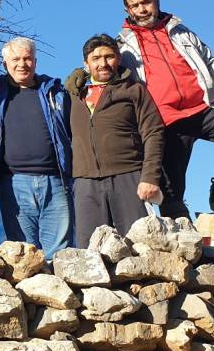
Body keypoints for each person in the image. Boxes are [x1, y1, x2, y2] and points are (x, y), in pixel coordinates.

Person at [67, 0, 214, 219]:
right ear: (127, 11)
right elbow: (105, 68)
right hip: (165, 121)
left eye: (146, 2)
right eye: (135, 6)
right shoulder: (123, 45)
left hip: (203, 109)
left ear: (157, 1)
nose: (142, 9)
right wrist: (80, 75)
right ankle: (184, 244)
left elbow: (210, 63)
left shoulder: (182, 32)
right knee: (171, 192)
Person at [69, 34, 164, 246]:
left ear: (118, 59)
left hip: (129, 177)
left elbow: (154, 133)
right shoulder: (73, 93)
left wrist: (150, 176)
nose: (103, 63)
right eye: (96, 58)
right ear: (86, 63)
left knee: (140, 246)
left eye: (109, 56)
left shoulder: (134, 90)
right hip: (86, 182)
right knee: (90, 251)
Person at [0, 37, 73, 259]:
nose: (22, 64)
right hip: (14, 183)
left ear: (35, 62)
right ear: (5, 64)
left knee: (59, 253)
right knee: (22, 255)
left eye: (27, 58)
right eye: (16, 59)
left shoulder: (55, 93)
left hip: (55, 182)